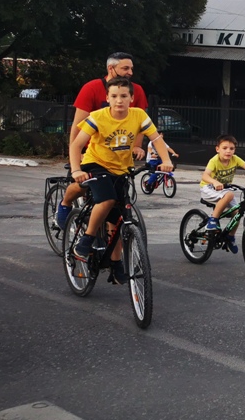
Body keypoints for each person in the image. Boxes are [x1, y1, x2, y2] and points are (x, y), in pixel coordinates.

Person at [67, 78, 173, 283]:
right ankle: (87, 239)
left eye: (124, 96)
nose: (119, 100)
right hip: (96, 164)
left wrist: (166, 160)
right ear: (107, 98)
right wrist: (76, 170)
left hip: (121, 169)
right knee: (107, 199)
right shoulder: (97, 117)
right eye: (114, 96)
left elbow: (156, 139)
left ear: (131, 98)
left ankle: (116, 265)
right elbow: (76, 145)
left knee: (118, 219)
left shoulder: (138, 115)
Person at [200, 134, 245, 253]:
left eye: (231, 148)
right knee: (229, 195)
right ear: (217, 149)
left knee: (238, 212)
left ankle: (230, 237)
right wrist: (214, 182)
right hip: (208, 188)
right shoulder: (214, 160)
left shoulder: (235, 159)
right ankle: (212, 220)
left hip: (223, 190)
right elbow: (205, 175)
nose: (228, 151)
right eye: (224, 148)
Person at [70, 52, 149, 146]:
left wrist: (137, 146)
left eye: (131, 69)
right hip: (93, 150)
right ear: (110, 68)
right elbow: (79, 124)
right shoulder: (91, 88)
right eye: (125, 68)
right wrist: (74, 151)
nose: (130, 73)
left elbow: (141, 124)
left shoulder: (137, 90)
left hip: (123, 149)